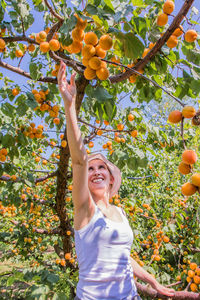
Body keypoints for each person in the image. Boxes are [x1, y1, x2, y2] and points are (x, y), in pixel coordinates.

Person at [58, 60, 175, 300]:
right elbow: (79, 160)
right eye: (92, 169)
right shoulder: (85, 210)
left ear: (112, 179)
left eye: (102, 167)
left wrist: (152, 281)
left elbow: (122, 256)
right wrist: (70, 107)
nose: (96, 171)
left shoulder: (120, 212)